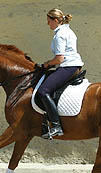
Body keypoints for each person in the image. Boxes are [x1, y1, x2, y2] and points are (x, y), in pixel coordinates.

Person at [38, 8, 84, 139]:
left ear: (56, 20)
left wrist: (47, 64)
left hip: (67, 66)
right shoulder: (67, 30)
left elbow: (59, 59)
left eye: (49, 21)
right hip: (72, 65)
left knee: (43, 91)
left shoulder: (60, 34)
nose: (48, 24)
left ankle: (56, 125)